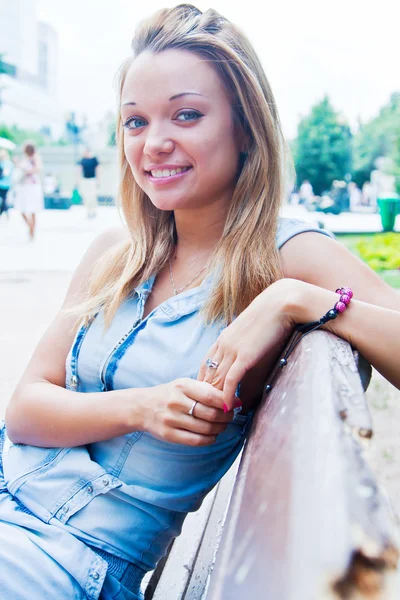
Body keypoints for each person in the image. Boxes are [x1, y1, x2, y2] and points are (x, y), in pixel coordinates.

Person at [1, 5, 399, 599]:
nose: (154, 143)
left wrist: (296, 298)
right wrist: (140, 408)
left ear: (245, 127)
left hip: (71, 557)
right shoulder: (115, 251)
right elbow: (25, 409)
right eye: (135, 122)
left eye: (186, 115)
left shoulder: (287, 255)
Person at [12, 142, 44, 239]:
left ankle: (32, 230)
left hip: (32, 186)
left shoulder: (35, 158)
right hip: (23, 186)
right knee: (22, 209)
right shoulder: (24, 159)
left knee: (33, 209)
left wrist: (26, 170)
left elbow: (38, 168)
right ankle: (31, 228)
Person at [77, 148, 100, 218]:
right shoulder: (82, 160)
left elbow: (97, 169)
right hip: (85, 180)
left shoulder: (94, 160)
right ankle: (88, 211)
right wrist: (78, 180)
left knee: (93, 196)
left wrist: (98, 180)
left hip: (92, 180)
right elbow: (79, 170)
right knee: (86, 196)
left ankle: (93, 210)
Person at [0, 148, 14, 218]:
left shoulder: (6, 163)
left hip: (3, 184)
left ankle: (4, 211)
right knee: (3, 199)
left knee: (3, 199)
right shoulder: (9, 163)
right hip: (6, 184)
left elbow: (6, 174)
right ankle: (5, 211)